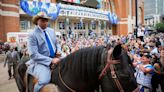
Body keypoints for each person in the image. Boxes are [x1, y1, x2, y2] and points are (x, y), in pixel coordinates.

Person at [26, 12, 62, 92]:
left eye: (46, 20)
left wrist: (58, 51)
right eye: (42, 20)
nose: (45, 22)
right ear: (37, 21)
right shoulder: (32, 34)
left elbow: (57, 43)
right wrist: (51, 60)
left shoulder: (51, 31)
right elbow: (34, 55)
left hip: (56, 57)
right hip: (41, 62)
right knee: (44, 80)